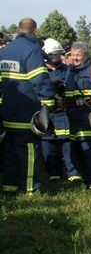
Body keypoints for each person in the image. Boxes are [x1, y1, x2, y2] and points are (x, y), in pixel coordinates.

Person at [0, 18, 55, 194]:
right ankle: (31, 188)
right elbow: (39, 79)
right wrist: (48, 102)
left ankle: (9, 186)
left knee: (10, 152)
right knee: (29, 152)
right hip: (27, 110)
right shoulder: (32, 50)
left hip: (7, 110)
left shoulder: (5, 50)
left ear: (17, 29)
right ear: (35, 31)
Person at [65, 41, 91, 190]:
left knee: (90, 148)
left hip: (89, 115)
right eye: (73, 55)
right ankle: (84, 179)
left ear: (86, 56)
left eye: (78, 55)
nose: (75, 58)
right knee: (76, 149)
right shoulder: (69, 72)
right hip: (73, 117)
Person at [40, 38, 81, 182]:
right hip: (47, 113)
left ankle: (72, 173)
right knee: (48, 144)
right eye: (53, 54)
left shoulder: (67, 70)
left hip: (64, 113)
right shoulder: (40, 71)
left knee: (67, 144)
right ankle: (54, 173)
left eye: (58, 54)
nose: (56, 57)